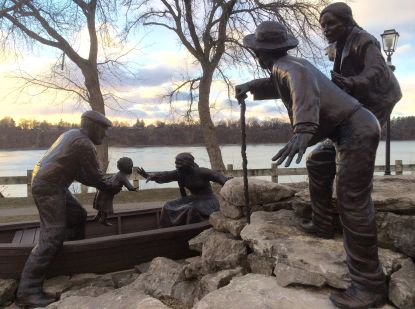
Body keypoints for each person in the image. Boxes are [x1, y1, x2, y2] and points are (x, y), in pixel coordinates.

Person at [235, 21, 386, 309]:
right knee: (318, 161)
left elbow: (303, 89)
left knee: (353, 201)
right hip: (347, 128)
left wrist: (303, 130)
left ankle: (370, 286)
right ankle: (323, 222)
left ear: (259, 53)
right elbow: (277, 84)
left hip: (356, 130)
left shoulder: (293, 68)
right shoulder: (286, 66)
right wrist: (251, 86)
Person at [303, 2, 402, 240]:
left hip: (375, 104)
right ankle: (323, 224)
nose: (325, 29)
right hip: (355, 108)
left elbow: (377, 69)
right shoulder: (340, 46)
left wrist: (354, 83)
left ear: (347, 22)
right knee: (317, 160)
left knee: (350, 177)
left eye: (331, 23)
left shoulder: (364, 40)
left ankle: (359, 244)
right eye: (323, 25)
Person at [16, 111, 119, 308]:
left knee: (77, 214)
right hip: (50, 187)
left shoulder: (71, 135)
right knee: (52, 235)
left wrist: (103, 183)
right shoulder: (83, 143)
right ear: (92, 126)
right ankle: (27, 291)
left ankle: (70, 256)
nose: (105, 135)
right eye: (103, 129)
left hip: (52, 184)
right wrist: (111, 185)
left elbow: (78, 173)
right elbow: (95, 177)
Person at [137, 152, 228, 227]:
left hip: (208, 199)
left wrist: (228, 190)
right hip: (193, 198)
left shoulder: (202, 172)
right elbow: (166, 175)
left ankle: (188, 231)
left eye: (179, 163)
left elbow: (219, 177)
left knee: (192, 209)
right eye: (176, 163)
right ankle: (167, 230)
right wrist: (151, 176)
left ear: (188, 164)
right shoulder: (179, 173)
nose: (177, 166)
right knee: (168, 205)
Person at [93, 157, 138, 226]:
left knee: (102, 206)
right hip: (108, 192)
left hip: (104, 190)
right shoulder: (122, 176)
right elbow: (129, 186)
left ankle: (97, 217)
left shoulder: (118, 173)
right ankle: (103, 220)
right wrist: (134, 188)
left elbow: (111, 178)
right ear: (127, 167)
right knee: (106, 206)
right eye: (131, 166)